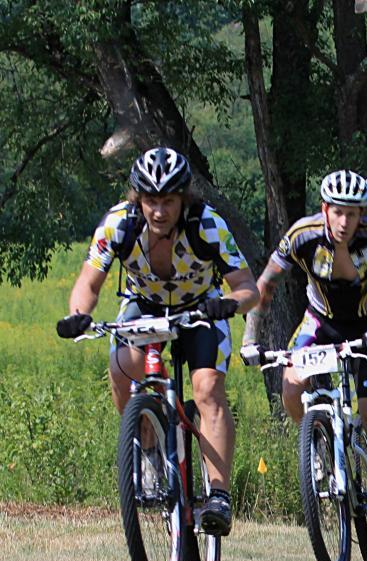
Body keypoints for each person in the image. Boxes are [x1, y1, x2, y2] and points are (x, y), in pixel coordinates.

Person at [57, 147, 260, 537]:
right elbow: (89, 281)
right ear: (138, 199)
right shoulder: (119, 223)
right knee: (120, 365)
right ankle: (148, 445)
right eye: (151, 200)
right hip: (144, 304)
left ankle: (218, 495)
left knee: (208, 390)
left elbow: (248, 288)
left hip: (201, 309)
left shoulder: (207, 224)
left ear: (183, 199)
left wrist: (228, 305)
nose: (159, 211)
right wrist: (78, 314)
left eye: (168, 200)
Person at [246, 169, 367, 549]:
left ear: (362, 215)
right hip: (320, 323)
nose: (345, 222)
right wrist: (250, 336)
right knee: (291, 385)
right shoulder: (302, 235)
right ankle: (318, 444)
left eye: (353, 213)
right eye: (338, 212)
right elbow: (265, 285)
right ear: (324, 209)